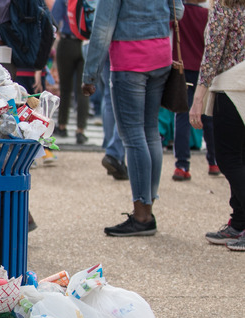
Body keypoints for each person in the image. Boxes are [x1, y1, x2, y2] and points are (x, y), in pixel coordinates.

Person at [82, 0, 184, 237]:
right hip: (160, 54)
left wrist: (90, 75)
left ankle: (141, 216)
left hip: (130, 58)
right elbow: (178, 11)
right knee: (150, 132)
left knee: (133, 135)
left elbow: (103, 26)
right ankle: (147, 209)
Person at [189, 0, 245, 250]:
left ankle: (241, 221)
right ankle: (239, 221)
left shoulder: (224, 7)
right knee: (240, 158)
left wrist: (198, 98)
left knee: (229, 158)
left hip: (232, 86)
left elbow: (212, 54)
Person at [171, 0, 217, 181]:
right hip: (203, 70)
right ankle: (213, 160)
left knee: (182, 116)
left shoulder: (178, 15)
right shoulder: (207, 15)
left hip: (181, 68)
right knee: (208, 116)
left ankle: (182, 164)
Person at [52, 0, 89, 145]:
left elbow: (54, 19)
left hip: (67, 43)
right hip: (86, 43)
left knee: (65, 88)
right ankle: (81, 130)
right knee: (83, 89)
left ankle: (62, 125)